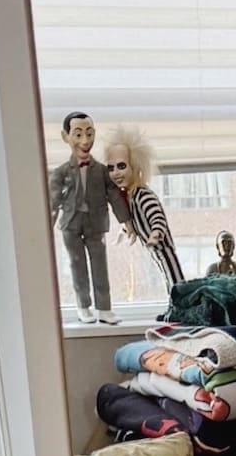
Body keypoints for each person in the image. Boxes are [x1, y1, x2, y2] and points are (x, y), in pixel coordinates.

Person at [48, 110, 128, 323]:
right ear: (66, 137)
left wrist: (126, 221)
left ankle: (104, 307)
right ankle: (83, 306)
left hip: (95, 223)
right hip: (71, 224)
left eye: (89, 134)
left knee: (100, 264)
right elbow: (53, 203)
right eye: (78, 134)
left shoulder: (102, 171)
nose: (85, 140)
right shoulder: (61, 173)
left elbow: (114, 196)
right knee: (77, 266)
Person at [104, 126, 185, 295]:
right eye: (111, 168)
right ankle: (175, 303)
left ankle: (181, 304)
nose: (116, 173)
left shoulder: (143, 195)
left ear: (135, 167)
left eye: (121, 166)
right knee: (166, 275)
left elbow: (156, 216)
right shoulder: (130, 198)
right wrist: (125, 230)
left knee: (175, 278)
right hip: (154, 250)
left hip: (162, 247)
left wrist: (156, 232)